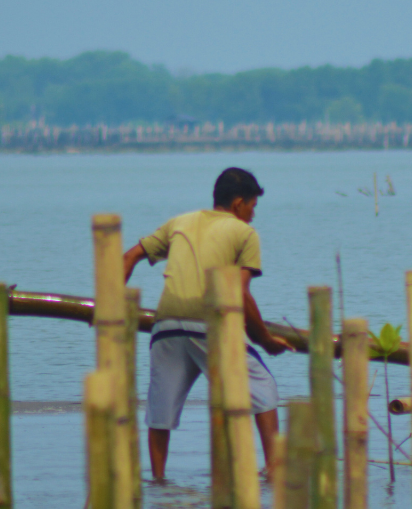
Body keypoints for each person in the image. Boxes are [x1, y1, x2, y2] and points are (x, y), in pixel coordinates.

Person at [123, 167, 293, 480]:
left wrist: (109, 303)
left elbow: (129, 256)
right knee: (264, 388)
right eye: (253, 207)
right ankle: (274, 470)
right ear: (239, 203)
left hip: (166, 328)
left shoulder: (180, 222)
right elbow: (240, 295)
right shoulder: (245, 234)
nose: (253, 216)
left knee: (160, 415)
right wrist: (265, 341)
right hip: (209, 326)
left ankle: (158, 481)